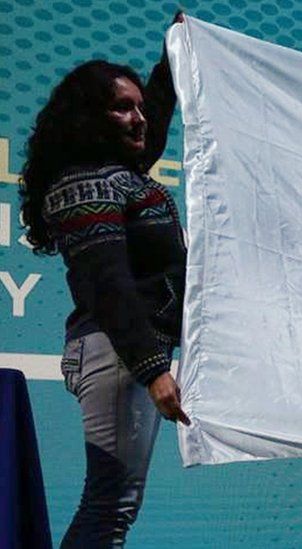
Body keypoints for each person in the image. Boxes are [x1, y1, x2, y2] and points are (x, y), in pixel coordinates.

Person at [18, 14, 188, 547]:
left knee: (116, 504)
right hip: (118, 353)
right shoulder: (84, 183)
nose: (139, 119)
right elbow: (108, 283)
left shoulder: (120, 172)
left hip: (126, 354)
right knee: (110, 505)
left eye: (140, 106)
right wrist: (152, 369)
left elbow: (154, 121)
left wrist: (173, 54)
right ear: (91, 118)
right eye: (123, 107)